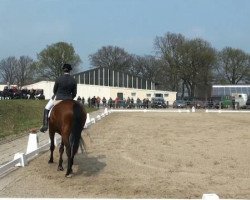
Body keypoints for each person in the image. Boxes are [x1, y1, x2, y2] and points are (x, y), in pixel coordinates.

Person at [40, 63, 77, 133]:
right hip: (69, 99)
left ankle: (45, 125)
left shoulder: (58, 79)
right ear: (70, 71)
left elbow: (54, 90)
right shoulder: (73, 80)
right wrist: (70, 98)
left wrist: (58, 94)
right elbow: (74, 93)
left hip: (58, 97)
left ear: (63, 70)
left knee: (47, 108)